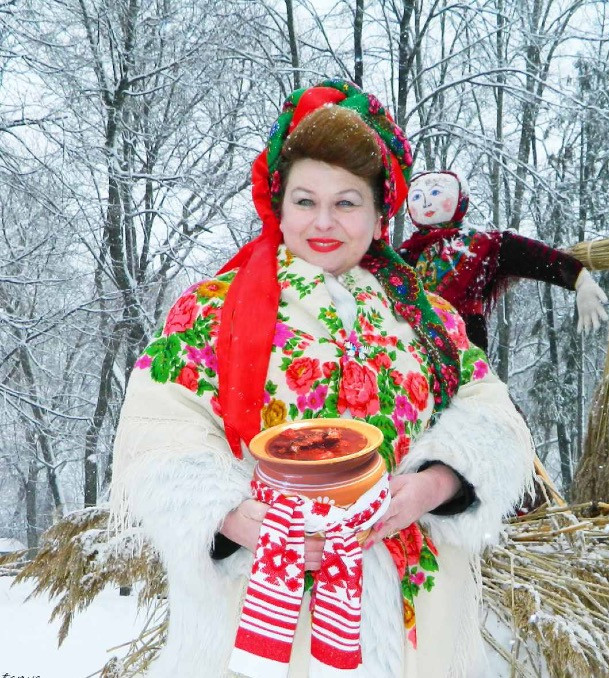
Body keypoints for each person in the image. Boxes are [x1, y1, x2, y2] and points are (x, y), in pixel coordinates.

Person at [109, 79, 534, 678]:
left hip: (411, 606)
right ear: (278, 202)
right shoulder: (212, 310)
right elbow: (160, 429)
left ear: (381, 208)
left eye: (347, 201)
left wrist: (433, 487)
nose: (323, 221)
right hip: (266, 601)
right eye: (305, 200)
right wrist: (233, 517)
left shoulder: (429, 317)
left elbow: (492, 414)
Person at [398, 170, 609, 351]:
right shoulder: (405, 255)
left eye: (435, 193)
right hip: (409, 351)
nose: (426, 202)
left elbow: (533, 256)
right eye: (416, 196)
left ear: (460, 199)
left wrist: (579, 279)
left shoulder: (484, 246)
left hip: (465, 353)